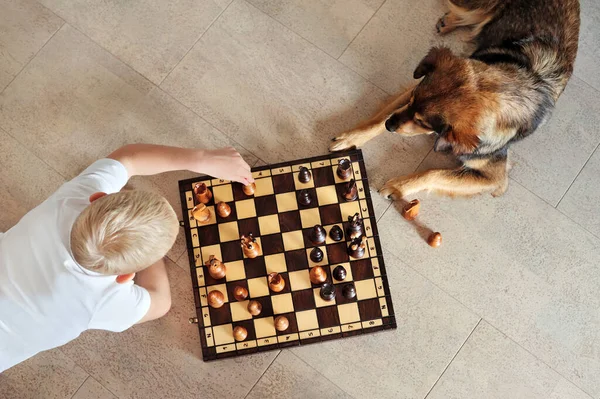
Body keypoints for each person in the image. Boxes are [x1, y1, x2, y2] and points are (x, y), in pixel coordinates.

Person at [0, 144, 254, 372]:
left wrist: (202, 159)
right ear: (126, 277)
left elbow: (128, 157)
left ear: (97, 198)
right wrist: (145, 254)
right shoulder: (103, 301)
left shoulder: (71, 200)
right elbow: (161, 301)